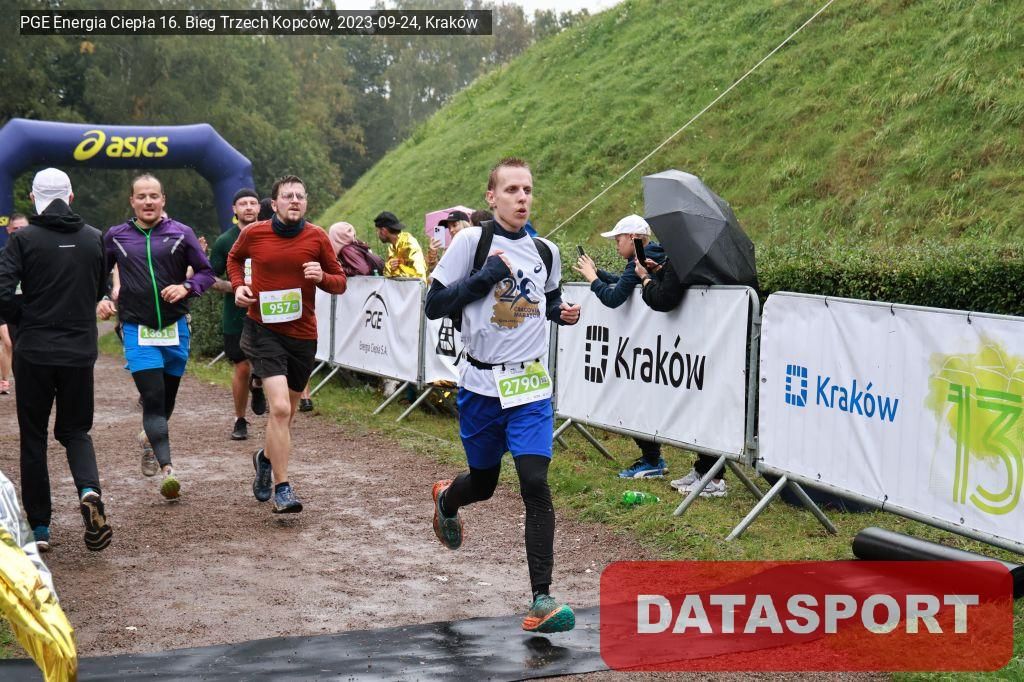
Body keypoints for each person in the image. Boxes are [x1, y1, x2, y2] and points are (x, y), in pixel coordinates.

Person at [425, 157, 581, 633]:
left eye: (527, 189)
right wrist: (486, 276)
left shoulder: (546, 250)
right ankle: (448, 500)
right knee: (485, 483)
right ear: (491, 197)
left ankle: (542, 599)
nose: (522, 197)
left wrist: (561, 311)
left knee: (535, 482)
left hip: (530, 386)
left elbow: (546, 298)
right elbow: (434, 305)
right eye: (511, 189)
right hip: (481, 387)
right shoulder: (471, 243)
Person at [0, 168, 112, 552]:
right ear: (71, 197)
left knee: (34, 437)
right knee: (76, 431)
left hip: (33, 350)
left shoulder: (23, 239)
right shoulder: (94, 238)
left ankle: (41, 527)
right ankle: (89, 491)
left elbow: (2, 293)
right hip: (79, 350)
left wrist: (25, 316)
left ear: (34, 199)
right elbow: (99, 290)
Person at [227, 175, 347, 514]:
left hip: (302, 336)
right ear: (275, 203)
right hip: (263, 331)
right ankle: (283, 488)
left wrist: (322, 277)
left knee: (288, 414)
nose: (294, 200)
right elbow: (234, 260)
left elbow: (340, 283)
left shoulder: (317, 237)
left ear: (306, 202)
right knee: (279, 409)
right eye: (287, 196)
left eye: (300, 196)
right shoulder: (254, 233)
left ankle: (265, 458)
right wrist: (239, 286)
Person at [97, 173, 214, 501]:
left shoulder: (181, 233)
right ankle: (168, 470)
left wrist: (187, 287)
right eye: (141, 196)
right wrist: (102, 298)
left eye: (153, 196)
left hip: (175, 328)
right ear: (132, 201)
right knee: (152, 397)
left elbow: (206, 272)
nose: (148, 202)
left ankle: (149, 440)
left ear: (163, 200)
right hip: (137, 329)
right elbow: (97, 274)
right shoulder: (116, 236)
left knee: (167, 401)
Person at [574, 214, 670, 478]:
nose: (616, 245)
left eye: (618, 239)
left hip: (650, 350)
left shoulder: (643, 258)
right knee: (636, 399)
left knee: (635, 400)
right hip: (648, 349)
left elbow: (614, 298)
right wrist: (597, 273)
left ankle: (653, 459)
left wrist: (593, 279)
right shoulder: (646, 257)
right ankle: (652, 458)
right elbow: (625, 280)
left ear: (633, 238)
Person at [634, 256, 726, 497]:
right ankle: (704, 469)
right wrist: (662, 269)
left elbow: (665, 299)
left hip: (708, 338)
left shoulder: (684, 253)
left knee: (708, 405)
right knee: (701, 405)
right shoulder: (695, 254)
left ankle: (715, 478)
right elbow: (680, 283)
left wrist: (645, 278)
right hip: (703, 337)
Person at [209, 188, 267, 441]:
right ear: (234, 209)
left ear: (260, 208)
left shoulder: (270, 234)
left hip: (267, 313)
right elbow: (209, 277)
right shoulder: (225, 241)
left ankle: (258, 384)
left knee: (265, 363)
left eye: (253, 203)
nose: (249, 207)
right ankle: (240, 419)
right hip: (235, 315)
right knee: (242, 367)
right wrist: (235, 287)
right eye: (243, 203)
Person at [0, 213, 29, 394]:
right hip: (10, 308)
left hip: (34, 307)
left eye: (23, 228)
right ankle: (19, 386)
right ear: (8, 230)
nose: (19, 232)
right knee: (13, 345)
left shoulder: (39, 253)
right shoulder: (3, 255)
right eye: (15, 229)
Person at [375, 211, 426, 280]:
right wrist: (390, 267)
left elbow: (420, 276)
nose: (377, 234)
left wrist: (398, 269)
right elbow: (387, 274)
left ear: (384, 231)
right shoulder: (392, 247)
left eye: (377, 231)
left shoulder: (409, 243)